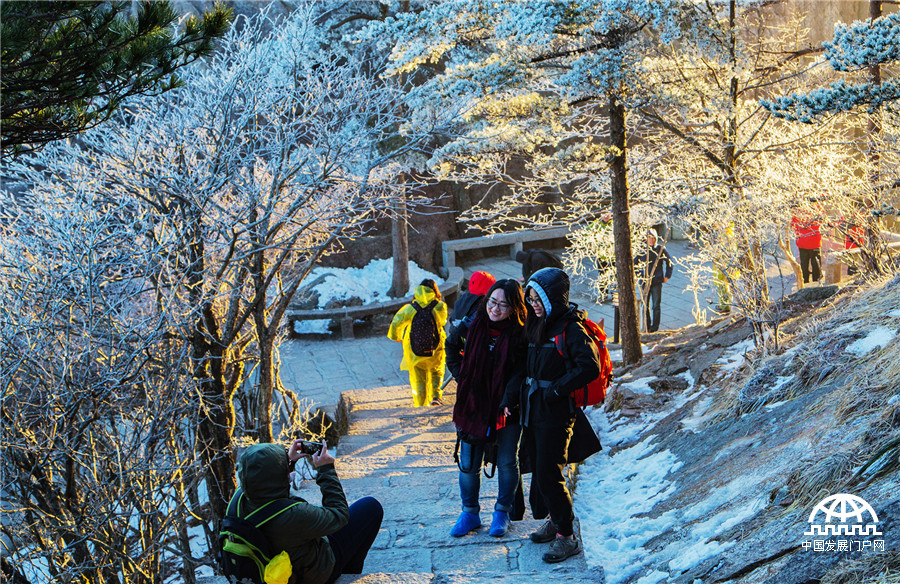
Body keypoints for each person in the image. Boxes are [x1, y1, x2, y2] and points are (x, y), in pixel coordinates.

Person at [503, 267, 600, 564]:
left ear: (553, 298)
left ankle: (567, 536)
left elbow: (589, 366)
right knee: (540, 473)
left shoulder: (570, 329)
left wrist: (556, 390)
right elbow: (523, 367)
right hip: (533, 410)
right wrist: (510, 397)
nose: (532, 303)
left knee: (549, 475)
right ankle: (557, 522)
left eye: (538, 298)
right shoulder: (536, 324)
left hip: (555, 414)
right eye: (529, 297)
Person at [235, 440, 383, 584]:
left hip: (274, 564)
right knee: (370, 508)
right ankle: (348, 574)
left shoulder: (238, 499)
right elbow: (339, 515)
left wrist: (288, 463)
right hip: (311, 573)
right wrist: (326, 470)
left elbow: (270, 489)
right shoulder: (295, 515)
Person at [445, 279, 527, 538]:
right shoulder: (472, 324)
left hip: (507, 408)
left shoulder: (520, 334)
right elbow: (451, 347)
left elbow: (521, 371)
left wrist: (507, 398)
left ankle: (502, 511)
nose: (496, 309)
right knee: (468, 463)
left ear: (514, 307)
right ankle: (469, 512)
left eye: (503, 304)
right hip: (473, 405)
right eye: (492, 301)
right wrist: (462, 376)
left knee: (506, 461)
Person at [388, 278, 449, 406]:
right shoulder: (440, 306)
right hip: (435, 347)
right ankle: (435, 397)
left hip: (415, 350)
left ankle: (420, 404)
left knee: (419, 378)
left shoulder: (410, 308)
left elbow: (396, 322)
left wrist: (397, 336)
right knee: (436, 372)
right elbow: (442, 321)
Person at [633, 229, 673, 333]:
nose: (651, 240)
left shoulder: (660, 249)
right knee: (644, 305)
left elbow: (669, 262)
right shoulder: (641, 249)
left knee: (656, 305)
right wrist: (639, 275)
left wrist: (667, 276)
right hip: (644, 281)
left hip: (656, 281)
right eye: (649, 238)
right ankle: (647, 326)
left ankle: (654, 328)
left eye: (653, 238)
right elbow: (634, 263)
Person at [791, 213, 823, 284]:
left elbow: (793, 225)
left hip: (802, 241)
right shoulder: (817, 209)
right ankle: (816, 281)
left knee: (804, 264)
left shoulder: (798, 211)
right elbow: (820, 222)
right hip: (815, 241)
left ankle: (805, 281)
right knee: (816, 263)